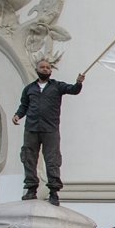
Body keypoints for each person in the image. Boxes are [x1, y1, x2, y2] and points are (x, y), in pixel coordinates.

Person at [12, 59, 84, 204]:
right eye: (42, 67)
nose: (45, 69)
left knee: (52, 159)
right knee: (29, 158)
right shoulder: (29, 89)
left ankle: (53, 191)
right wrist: (18, 115)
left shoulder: (57, 86)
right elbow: (24, 105)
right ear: (37, 70)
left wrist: (79, 82)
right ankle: (31, 189)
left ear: (51, 71)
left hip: (50, 129)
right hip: (31, 128)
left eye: (47, 67)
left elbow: (73, 90)